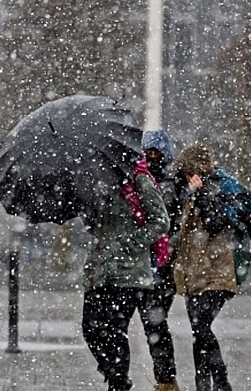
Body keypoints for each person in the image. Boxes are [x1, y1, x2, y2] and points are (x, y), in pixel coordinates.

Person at [82, 155, 170, 391]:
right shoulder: (97, 182)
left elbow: (161, 221)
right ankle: (115, 375)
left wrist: (129, 243)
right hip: (98, 270)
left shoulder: (138, 180)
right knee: (90, 329)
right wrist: (88, 208)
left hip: (128, 272)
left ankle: (118, 382)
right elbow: (95, 226)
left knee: (114, 330)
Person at [172, 143, 240, 391]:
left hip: (216, 273)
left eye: (188, 169)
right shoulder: (187, 192)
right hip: (193, 274)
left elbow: (214, 224)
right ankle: (203, 385)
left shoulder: (214, 189)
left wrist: (201, 195)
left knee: (201, 327)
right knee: (198, 331)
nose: (185, 174)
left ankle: (221, 382)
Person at [139, 130, 181, 391]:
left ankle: (165, 379)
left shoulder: (170, 183)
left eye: (157, 153)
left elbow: (166, 220)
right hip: (149, 263)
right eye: (148, 153)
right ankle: (165, 378)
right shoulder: (143, 180)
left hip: (161, 264)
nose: (153, 158)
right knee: (153, 324)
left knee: (154, 323)